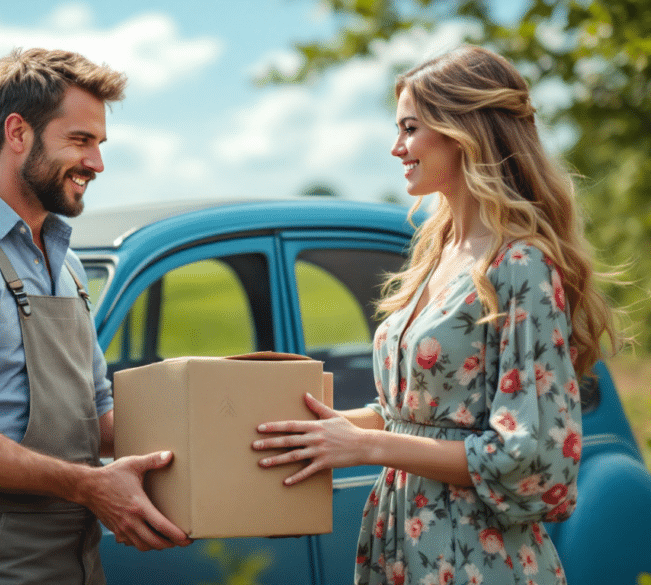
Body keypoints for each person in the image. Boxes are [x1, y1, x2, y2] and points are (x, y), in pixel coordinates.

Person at [252, 45, 620, 584]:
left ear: (463, 130)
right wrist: (317, 431)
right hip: (400, 543)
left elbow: (530, 456)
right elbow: (417, 415)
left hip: (476, 556)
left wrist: (366, 446)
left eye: (409, 128)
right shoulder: (438, 251)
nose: (396, 147)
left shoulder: (522, 263)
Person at [0, 47, 191, 585]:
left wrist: (212, 427)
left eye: (99, 143)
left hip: (71, 548)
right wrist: (89, 486)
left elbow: (94, 417)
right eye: (80, 140)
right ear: (17, 133)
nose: (97, 163)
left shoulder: (65, 262)